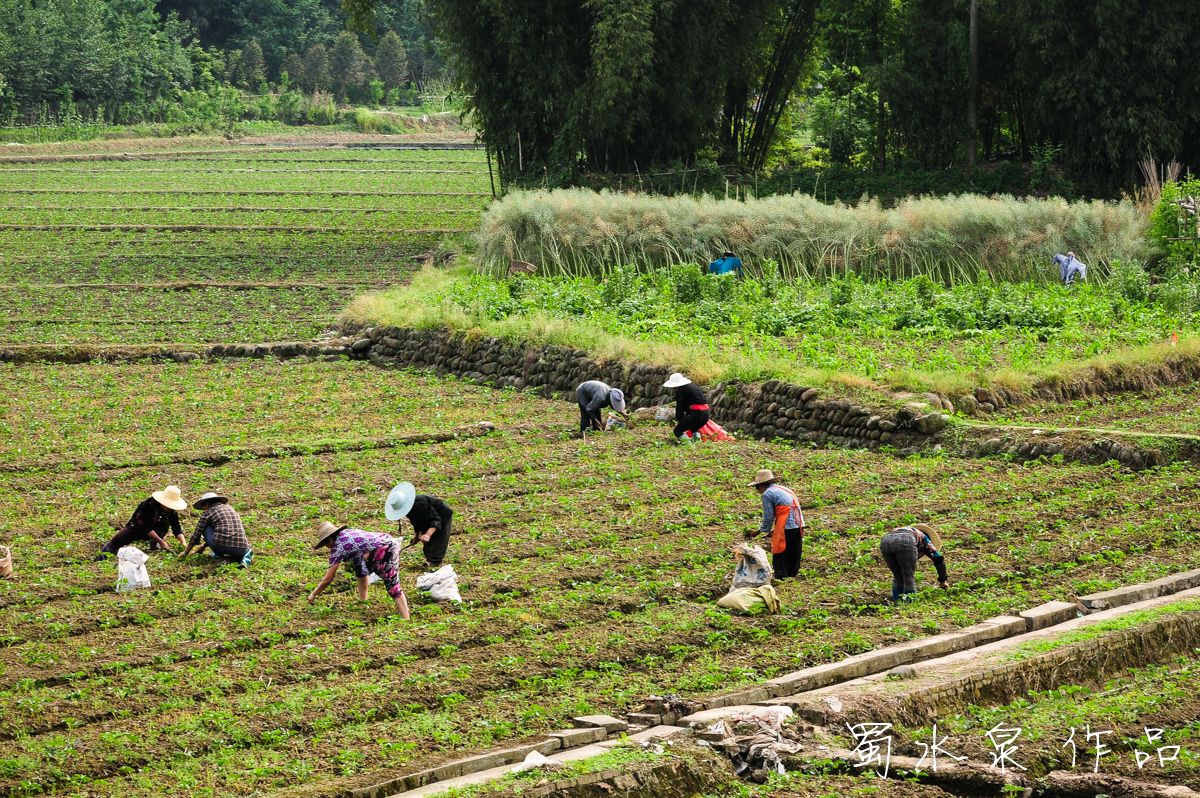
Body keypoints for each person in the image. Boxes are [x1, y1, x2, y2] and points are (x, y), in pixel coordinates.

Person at [309, 521, 410, 618]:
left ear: (329, 539)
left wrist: (314, 594)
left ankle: (406, 618)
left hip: (385, 548)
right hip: (386, 540)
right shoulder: (346, 534)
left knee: (392, 585)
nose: (327, 547)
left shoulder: (338, 548)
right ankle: (363, 602)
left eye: (326, 544)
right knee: (360, 568)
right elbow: (362, 570)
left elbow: (328, 578)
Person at [96, 485, 187, 559]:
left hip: (157, 530)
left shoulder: (171, 511)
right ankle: (103, 555)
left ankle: (153, 544)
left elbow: (176, 528)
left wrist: (183, 543)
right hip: (137, 528)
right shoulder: (148, 505)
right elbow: (145, 526)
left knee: (164, 524)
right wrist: (161, 541)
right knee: (117, 541)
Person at [747, 469, 805, 579]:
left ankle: (781, 578)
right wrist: (775, 530)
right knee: (794, 552)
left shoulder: (767, 494)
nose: (757, 490)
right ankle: (791, 577)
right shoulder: (784, 489)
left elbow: (768, 516)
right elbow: (789, 511)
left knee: (780, 553)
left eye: (756, 487)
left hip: (787, 526)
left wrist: (759, 531)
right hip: (799, 524)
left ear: (761, 485)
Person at [385, 482, 454, 569]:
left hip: (442, 515)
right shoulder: (408, 509)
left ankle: (435, 563)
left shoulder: (419, 504)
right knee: (427, 542)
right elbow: (416, 522)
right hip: (428, 517)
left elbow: (435, 519)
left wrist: (428, 534)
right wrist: (417, 536)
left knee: (438, 538)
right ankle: (429, 560)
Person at [880, 523, 949, 601]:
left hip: (885, 541)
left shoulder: (906, 531)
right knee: (908, 576)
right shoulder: (924, 538)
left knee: (897, 575)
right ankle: (909, 603)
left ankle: (898, 601)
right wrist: (943, 580)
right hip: (906, 540)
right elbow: (938, 558)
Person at [182, 492, 253, 567]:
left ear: (206, 504)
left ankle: (219, 554)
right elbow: (224, 530)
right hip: (240, 548)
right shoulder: (230, 509)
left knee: (205, 526)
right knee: (248, 549)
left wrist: (186, 552)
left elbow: (196, 534)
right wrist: (204, 546)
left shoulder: (207, 513)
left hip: (220, 546)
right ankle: (245, 560)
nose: (203, 509)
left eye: (203, 506)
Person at [664, 372, 710, 443]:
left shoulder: (681, 391)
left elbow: (680, 408)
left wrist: (680, 420)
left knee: (678, 431)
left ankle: (689, 446)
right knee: (694, 428)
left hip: (696, 414)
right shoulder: (692, 387)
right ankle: (698, 444)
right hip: (706, 413)